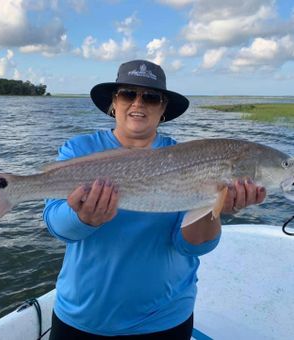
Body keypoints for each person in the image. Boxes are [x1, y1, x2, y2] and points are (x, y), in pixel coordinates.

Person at [44, 59, 266, 339]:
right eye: (128, 94)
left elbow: (192, 247)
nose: (138, 103)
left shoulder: (187, 158)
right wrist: (83, 218)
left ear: (162, 109)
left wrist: (217, 208)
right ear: (114, 102)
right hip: (83, 315)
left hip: (164, 319)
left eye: (151, 97)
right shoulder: (78, 150)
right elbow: (57, 227)